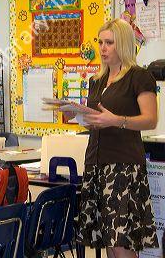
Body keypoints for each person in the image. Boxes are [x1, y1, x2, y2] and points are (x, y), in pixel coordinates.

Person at [70, 18, 158, 257]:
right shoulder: (96, 81)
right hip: (96, 165)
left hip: (123, 169)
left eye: (109, 42)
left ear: (124, 45)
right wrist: (78, 114)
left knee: (122, 242)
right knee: (108, 240)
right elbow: (97, 120)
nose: (103, 48)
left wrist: (117, 120)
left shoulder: (139, 76)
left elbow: (151, 120)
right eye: (100, 42)